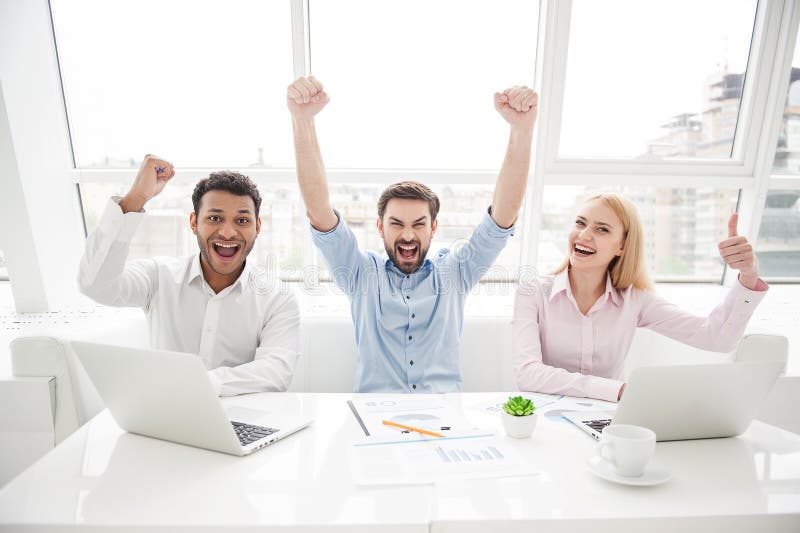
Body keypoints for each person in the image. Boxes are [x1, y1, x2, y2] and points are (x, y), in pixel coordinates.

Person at [287, 76, 538, 393]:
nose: (408, 235)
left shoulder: (456, 272)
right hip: (375, 418)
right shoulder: (360, 273)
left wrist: (521, 130)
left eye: (419, 224)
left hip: (445, 415)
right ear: (380, 227)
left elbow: (503, 216)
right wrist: (302, 121)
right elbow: (318, 209)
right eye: (396, 224)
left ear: (434, 228)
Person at [512, 193, 768, 402]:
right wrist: (616, 390)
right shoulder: (533, 291)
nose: (584, 235)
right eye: (580, 222)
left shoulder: (635, 300)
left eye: (602, 229)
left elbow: (717, 338)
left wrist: (748, 275)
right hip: (543, 417)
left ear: (621, 246)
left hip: (609, 420)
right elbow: (528, 374)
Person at [78, 155, 300, 396]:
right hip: (169, 419)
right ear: (194, 223)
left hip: (243, 421)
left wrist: (193, 385)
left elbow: (275, 372)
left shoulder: (278, 298)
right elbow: (95, 285)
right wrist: (135, 200)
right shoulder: (158, 277)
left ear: (257, 226)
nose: (227, 232)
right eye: (214, 218)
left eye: (242, 220)